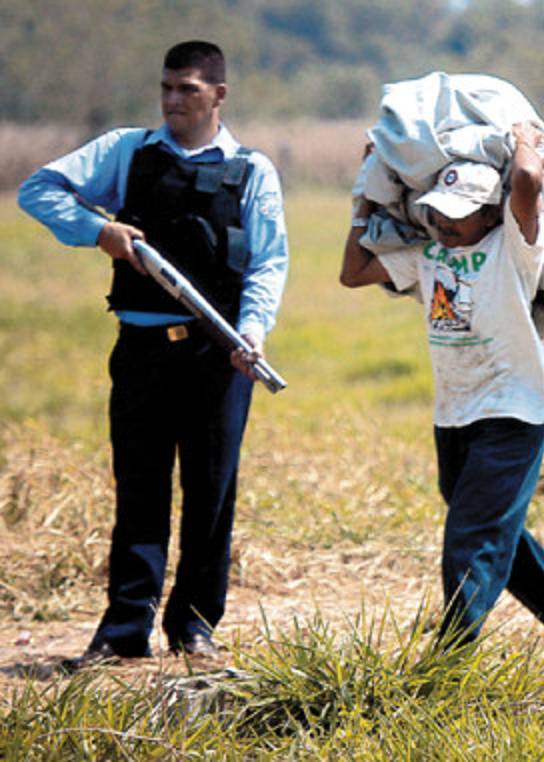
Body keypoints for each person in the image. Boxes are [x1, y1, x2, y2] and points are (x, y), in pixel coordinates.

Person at [18, 41, 289, 669]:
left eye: (187, 90)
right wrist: (100, 232)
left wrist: (251, 332)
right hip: (141, 350)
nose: (172, 101)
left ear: (218, 95)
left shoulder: (252, 170)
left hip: (218, 355)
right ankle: (122, 632)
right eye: (166, 87)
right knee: (139, 489)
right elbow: (39, 190)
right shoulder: (126, 152)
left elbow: (269, 262)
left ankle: (194, 627)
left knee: (210, 492)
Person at [339, 123, 544, 690]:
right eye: (440, 213)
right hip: (455, 415)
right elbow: (353, 272)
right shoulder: (426, 256)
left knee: (470, 543)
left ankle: (447, 669)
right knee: (503, 542)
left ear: (492, 214)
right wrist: (367, 186)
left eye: (460, 214)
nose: (447, 224)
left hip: (512, 412)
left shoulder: (514, 250)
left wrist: (524, 140)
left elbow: (524, 181)